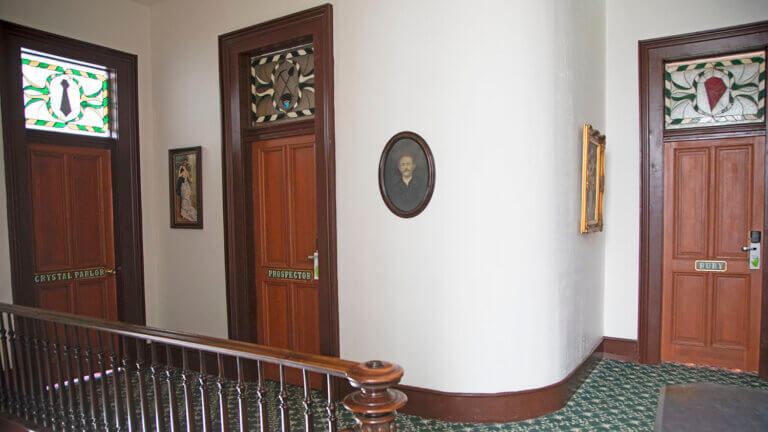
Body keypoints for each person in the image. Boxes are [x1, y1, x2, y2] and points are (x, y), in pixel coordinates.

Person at [176, 158, 198, 222]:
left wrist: (190, 179)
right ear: (183, 163)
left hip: (186, 184)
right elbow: (179, 176)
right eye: (184, 163)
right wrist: (183, 171)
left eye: (186, 163)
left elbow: (189, 178)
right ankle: (184, 211)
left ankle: (188, 209)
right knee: (184, 197)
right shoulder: (181, 167)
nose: (185, 164)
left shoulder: (187, 170)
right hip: (183, 185)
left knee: (187, 197)